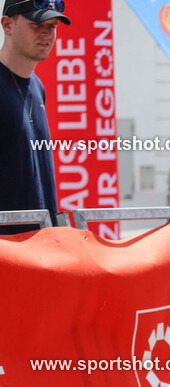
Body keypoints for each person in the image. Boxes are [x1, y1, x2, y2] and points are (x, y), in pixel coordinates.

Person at [0, 0, 69, 234]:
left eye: (52, 26)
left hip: (41, 247)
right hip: (8, 253)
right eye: (36, 24)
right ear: (7, 25)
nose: (46, 33)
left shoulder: (37, 87)